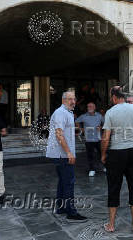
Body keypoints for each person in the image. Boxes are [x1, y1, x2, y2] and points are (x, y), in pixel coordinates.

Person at [101, 86, 133, 233]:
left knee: (113, 187)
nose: (111, 100)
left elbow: (106, 138)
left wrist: (103, 154)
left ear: (115, 97)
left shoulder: (110, 112)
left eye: (111, 97)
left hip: (116, 154)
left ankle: (111, 225)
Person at [45, 91, 87, 221]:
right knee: (69, 182)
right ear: (63, 100)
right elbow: (59, 134)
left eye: (74, 99)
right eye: (70, 99)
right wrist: (69, 152)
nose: (73, 101)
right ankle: (71, 212)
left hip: (62, 153)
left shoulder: (67, 112)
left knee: (63, 181)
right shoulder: (61, 113)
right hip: (62, 154)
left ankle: (61, 207)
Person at [75, 102, 104, 177]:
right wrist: (80, 128)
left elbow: (105, 123)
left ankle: (105, 166)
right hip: (89, 139)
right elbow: (76, 121)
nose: (89, 107)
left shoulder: (99, 116)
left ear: (94, 108)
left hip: (98, 138)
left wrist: (100, 127)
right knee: (90, 155)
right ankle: (92, 169)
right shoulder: (84, 116)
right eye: (88, 106)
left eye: (91, 106)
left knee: (102, 153)